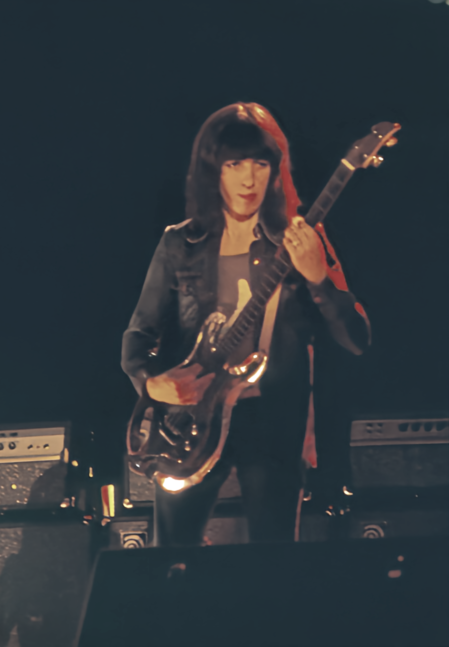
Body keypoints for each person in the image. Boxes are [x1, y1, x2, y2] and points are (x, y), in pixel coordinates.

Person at [121, 103, 370, 546]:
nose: (249, 180)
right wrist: (152, 384)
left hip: (272, 424)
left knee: (272, 566)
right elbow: (138, 335)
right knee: (172, 561)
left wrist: (317, 278)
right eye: (235, 164)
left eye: (260, 163)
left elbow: (356, 339)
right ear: (212, 169)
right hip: (189, 421)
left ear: (277, 169)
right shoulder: (179, 243)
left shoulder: (300, 238)